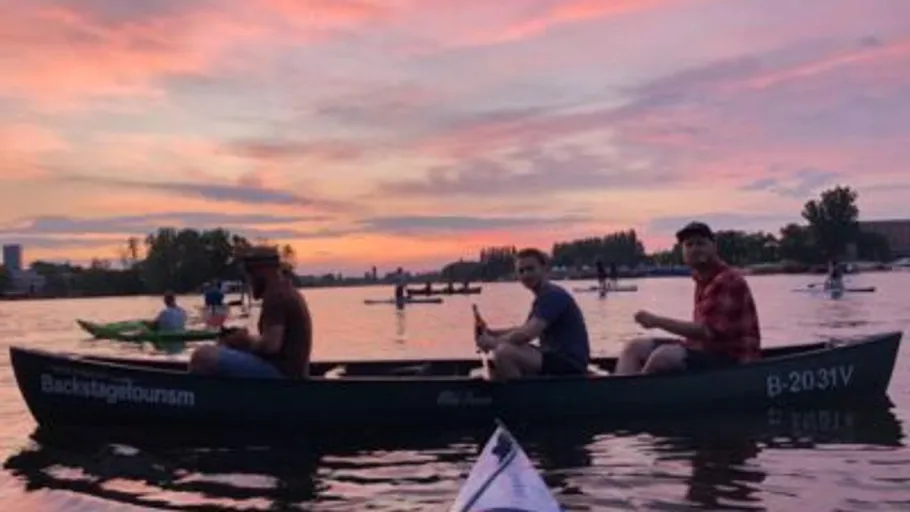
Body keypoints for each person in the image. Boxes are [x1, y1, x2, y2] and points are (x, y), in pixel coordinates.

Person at [615, 222, 761, 375]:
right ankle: (622, 393)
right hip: (705, 349)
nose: (695, 249)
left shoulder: (727, 280)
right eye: (689, 245)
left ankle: (638, 395)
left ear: (713, 247)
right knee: (633, 348)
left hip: (735, 359)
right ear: (683, 252)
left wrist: (656, 321)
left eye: (700, 243)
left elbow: (706, 331)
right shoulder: (702, 279)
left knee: (664, 357)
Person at [188, 246, 313, 379]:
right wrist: (243, 341)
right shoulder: (286, 290)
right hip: (289, 371)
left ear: (263, 271)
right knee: (223, 348)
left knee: (201, 356)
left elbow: (271, 346)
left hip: (282, 375)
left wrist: (244, 341)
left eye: (249, 272)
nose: (248, 279)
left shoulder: (277, 296)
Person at [475, 248, 590, 379]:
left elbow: (526, 335)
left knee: (504, 352)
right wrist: (490, 332)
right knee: (503, 351)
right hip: (554, 357)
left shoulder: (552, 295)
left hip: (570, 363)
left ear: (544, 268)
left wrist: (491, 342)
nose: (526, 275)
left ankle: (521, 397)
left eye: (530, 269)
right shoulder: (543, 296)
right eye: (521, 271)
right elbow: (523, 329)